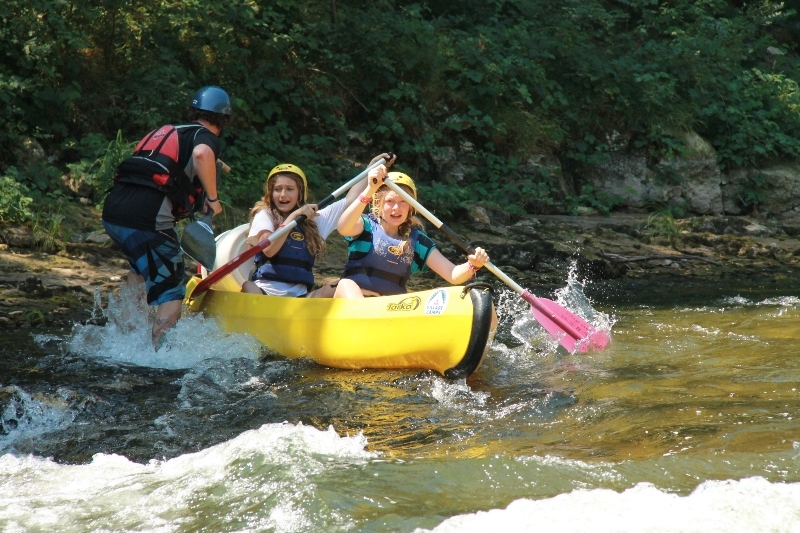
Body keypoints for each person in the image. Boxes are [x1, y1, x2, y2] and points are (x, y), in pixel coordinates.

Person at [102, 85, 232, 348]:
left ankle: (123, 345)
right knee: (172, 289)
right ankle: (162, 356)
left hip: (114, 211)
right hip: (148, 218)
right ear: (224, 119)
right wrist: (213, 199)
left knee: (140, 273)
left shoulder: (166, 131)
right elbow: (202, 154)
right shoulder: (206, 137)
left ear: (194, 111)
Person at [241, 153, 396, 298]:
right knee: (248, 287)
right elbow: (269, 249)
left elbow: (351, 201)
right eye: (277, 189)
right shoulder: (265, 214)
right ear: (271, 193)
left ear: (300, 193)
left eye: (290, 189)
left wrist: (371, 168)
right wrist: (294, 216)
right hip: (264, 293)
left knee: (341, 285)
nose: (283, 195)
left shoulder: (314, 221)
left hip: (301, 298)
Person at [333, 167, 490, 298]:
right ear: (378, 203)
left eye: (403, 202)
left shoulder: (418, 240)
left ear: (411, 207)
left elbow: (452, 274)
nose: (396, 208)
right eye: (390, 201)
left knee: (439, 295)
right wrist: (370, 189)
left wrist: (473, 265)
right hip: (353, 302)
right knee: (346, 284)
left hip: (388, 307)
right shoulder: (365, 225)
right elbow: (343, 227)